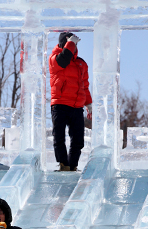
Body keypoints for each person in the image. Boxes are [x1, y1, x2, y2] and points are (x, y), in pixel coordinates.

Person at [49, 32, 92, 172]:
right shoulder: (54, 58)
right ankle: (63, 165)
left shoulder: (81, 63)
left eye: (74, 43)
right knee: (59, 137)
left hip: (76, 106)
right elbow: (64, 60)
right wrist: (70, 44)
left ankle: (72, 166)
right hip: (60, 104)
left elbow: (85, 86)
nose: (73, 46)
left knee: (78, 140)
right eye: (70, 43)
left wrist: (89, 105)